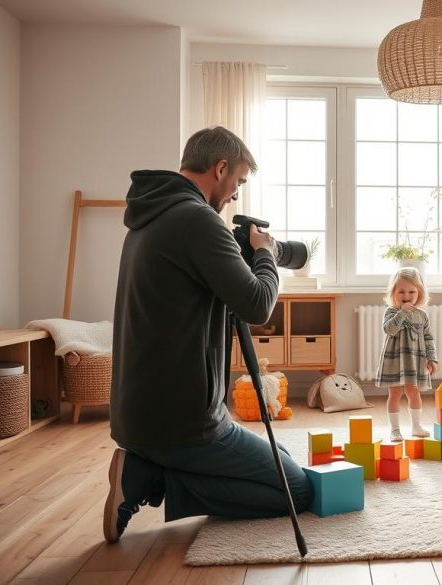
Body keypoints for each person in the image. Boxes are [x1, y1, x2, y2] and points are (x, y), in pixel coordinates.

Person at [104, 126, 313, 543]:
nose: (236, 193)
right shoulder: (196, 219)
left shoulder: (151, 214)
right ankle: (151, 478)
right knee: (299, 488)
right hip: (184, 423)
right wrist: (266, 254)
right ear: (220, 168)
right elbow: (256, 304)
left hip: (140, 415)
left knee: (285, 457)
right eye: (237, 181)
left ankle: (148, 465)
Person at [375, 268, 439, 442]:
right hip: (395, 359)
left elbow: (428, 338)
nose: (407, 295)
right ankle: (395, 429)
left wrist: (431, 358)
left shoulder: (422, 315)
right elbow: (390, 329)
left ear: (419, 293)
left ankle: (416, 426)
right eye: (401, 291)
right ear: (393, 293)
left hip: (415, 360)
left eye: (412, 291)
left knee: (414, 393)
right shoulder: (390, 312)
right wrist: (402, 312)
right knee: (394, 394)